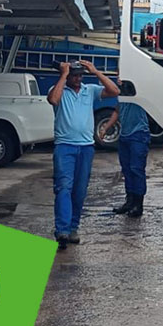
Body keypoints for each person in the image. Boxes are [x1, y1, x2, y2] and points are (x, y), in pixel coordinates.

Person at [47, 60, 120, 250]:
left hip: (86, 147)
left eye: (80, 75)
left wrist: (95, 71)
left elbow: (114, 91)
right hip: (65, 147)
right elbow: (53, 100)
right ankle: (62, 229)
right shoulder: (59, 89)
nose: (78, 79)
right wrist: (63, 75)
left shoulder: (90, 90)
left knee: (79, 191)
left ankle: (72, 228)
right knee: (64, 187)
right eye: (74, 75)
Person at [99, 80, 150, 218]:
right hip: (125, 135)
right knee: (127, 169)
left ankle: (138, 204)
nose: (118, 78)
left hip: (138, 134)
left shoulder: (137, 88)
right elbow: (117, 110)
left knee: (136, 169)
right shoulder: (120, 93)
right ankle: (130, 201)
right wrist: (106, 127)